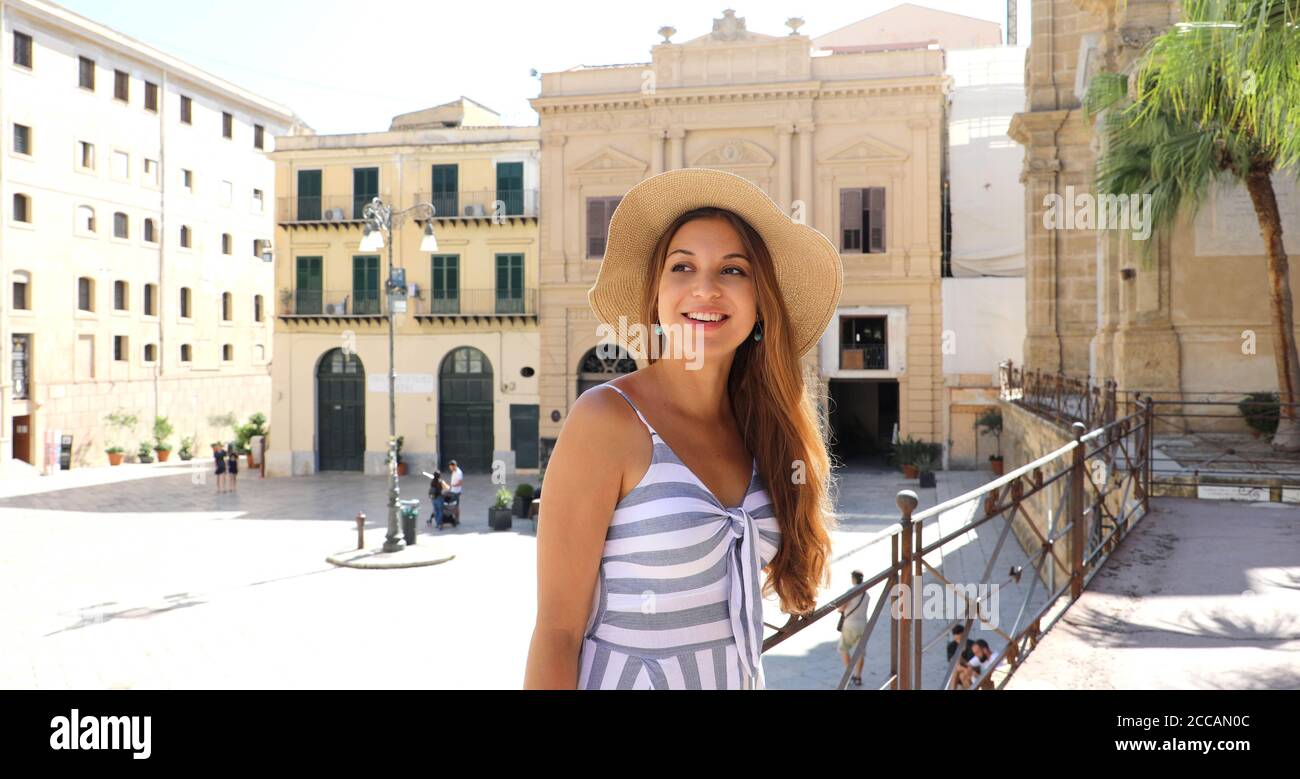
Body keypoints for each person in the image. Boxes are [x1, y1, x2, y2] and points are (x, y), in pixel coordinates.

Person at [524, 168, 844, 689]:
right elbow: (557, 633)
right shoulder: (607, 419)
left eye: (733, 271)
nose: (705, 288)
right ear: (656, 296)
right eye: (682, 266)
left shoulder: (762, 428)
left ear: (761, 305)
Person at [836, 570, 869, 687]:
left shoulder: (851, 592)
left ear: (853, 579)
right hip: (863, 625)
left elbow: (841, 608)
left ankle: (849, 674)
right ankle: (858, 676)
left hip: (850, 625)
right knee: (860, 652)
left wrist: (840, 609)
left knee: (843, 649)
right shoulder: (866, 594)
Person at [444, 460, 463, 527]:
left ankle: (457, 520)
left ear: (454, 466)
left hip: (456, 492)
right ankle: (454, 519)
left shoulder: (459, 473)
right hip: (452, 491)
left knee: (456, 506)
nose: (450, 468)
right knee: (453, 506)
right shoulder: (454, 472)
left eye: (451, 467)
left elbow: (460, 483)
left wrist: (452, 486)